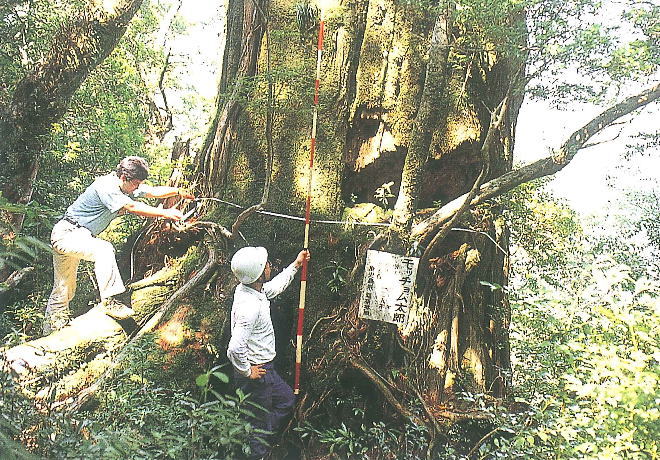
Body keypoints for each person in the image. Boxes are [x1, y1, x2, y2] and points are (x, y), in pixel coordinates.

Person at [44, 156, 194, 334]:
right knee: (103, 250)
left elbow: (152, 191)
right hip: (67, 234)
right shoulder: (107, 186)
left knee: (64, 287)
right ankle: (111, 300)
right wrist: (165, 213)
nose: (137, 187)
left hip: (75, 235)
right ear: (124, 177)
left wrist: (178, 191)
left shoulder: (125, 187)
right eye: (136, 183)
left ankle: (50, 331)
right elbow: (131, 206)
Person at [227, 246, 310, 459]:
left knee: (286, 401)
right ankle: (256, 447)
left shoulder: (253, 290)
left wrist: (296, 265)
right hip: (257, 376)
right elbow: (235, 348)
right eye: (265, 264)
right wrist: (247, 372)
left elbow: (273, 288)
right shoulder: (249, 307)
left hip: (267, 370)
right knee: (259, 423)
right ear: (257, 273)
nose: (269, 265)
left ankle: (253, 434)